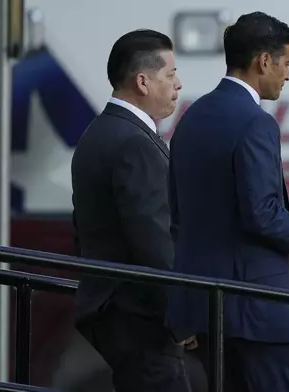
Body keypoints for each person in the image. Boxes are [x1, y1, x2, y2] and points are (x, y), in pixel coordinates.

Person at [166, 11, 289, 392]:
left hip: (206, 310)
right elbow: (262, 214)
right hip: (260, 312)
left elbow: (178, 216)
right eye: (286, 63)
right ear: (264, 61)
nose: (288, 74)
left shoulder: (191, 117)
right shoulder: (256, 121)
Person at [71, 29, 193, 392]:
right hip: (140, 315)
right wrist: (182, 311)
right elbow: (153, 238)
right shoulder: (133, 142)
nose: (179, 84)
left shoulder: (100, 131)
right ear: (142, 81)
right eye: (170, 74)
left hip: (116, 309)